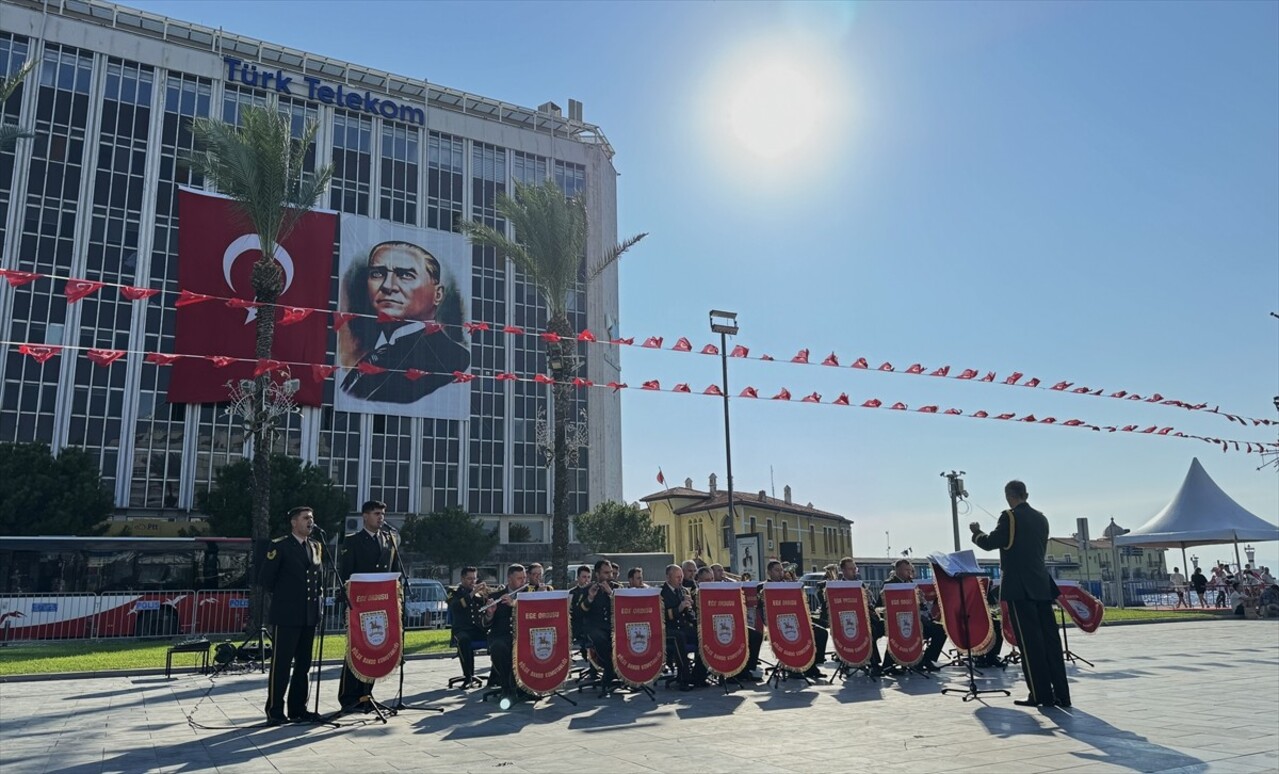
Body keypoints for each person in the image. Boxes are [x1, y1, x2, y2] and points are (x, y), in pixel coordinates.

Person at [970, 480, 1071, 708]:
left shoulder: (1010, 516)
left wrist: (976, 533)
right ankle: (1062, 695)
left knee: (1030, 643)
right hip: (1042, 585)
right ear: (1026, 494)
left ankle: (1040, 694)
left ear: (1009, 496)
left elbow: (990, 543)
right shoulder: (1041, 518)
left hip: (1020, 587)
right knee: (1050, 642)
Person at [340, 240, 470, 403]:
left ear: (437, 295)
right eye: (377, 274)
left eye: (405, 275)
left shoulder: (452, 357)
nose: (387, 286)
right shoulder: (374, 352)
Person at [258, 506, 323, 724]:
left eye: (312, 518)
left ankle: (298, 709)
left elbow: (318, 580)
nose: (310, 522)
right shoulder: (280, 546)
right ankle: (275, 710)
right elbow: (267, 579)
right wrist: (288, 596)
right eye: (306, 518)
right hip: (287, 615)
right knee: (282, 664)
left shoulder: (315, 547)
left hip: (308, 615)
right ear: (294, 522)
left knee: (303, 665)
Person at [337, 500, 399, 713]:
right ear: (364, 516)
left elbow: (395, 571)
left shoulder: (389, 539)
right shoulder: (353, 541)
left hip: (381, 603)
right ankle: (348, 696)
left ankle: (366, 694)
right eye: (376, 513)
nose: (380, 517)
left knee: (375, 645)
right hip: (360, 604)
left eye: (382, 513)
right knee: (357, 648)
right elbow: (346, 573)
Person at [879, 559, 946, 672]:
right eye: (906, 570)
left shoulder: (911, 584)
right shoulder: (889, 584)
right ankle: (888, 664)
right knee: (899, 633)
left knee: (941, 630)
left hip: (916, 619)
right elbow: (880, 605)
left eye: (910, 570)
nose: (909, 573)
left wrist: (920, 600)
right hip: (898, 621)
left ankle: (927, 659)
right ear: (898, 570)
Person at [763, 559, 826, 679]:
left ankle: (811, 664)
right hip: (778, 622)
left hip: (796, 619)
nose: (781, 573)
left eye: (781, 570)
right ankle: (793, 667)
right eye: (777, 570)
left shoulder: (789, 583)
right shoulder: (765, 586)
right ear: (769, 572)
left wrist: (795, 586)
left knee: (821, 632)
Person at [484, 564, 528, 698]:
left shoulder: (529, 596)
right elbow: (485, 624)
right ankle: (506, 686)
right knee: (498, 647)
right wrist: (490, 614)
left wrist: (514, 604)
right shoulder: (495, 596)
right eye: (519, 578)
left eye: (524, 578)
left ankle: (527, 686)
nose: (523, 581)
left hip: (523, 636)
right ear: (509, 579)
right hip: (501, 635)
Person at [660, 564, 705, 690]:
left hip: (683, 627)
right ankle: (684, 679)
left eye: (681, 577)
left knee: (704, 636)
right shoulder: (661, 593)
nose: (680, 580)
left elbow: (690, 616)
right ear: (668, 577)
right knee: (678, 637)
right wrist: (679, 608)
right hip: (668, 629)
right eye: (677, 577)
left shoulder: (683, 590)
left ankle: (698, 676)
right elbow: (661, 616)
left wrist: (690, 609)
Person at [578, 559, 621, 685]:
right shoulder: (588, 589)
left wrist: (610, 593)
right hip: (594, 627)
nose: (610, 576)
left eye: (611, 573)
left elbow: (624, 608)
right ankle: (609, 670)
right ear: (597, 574)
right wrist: (590, 598)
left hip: (612, 626)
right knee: (601, 640)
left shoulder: (617, 589)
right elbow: (580, 612)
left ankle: (620, 672)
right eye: (606, 573)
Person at [447, 566, 488, 687]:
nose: (472, 581)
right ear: (462, 578)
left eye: (474, 578)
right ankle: (468, 676)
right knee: (464, 640)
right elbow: (457, 606)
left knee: (498, 637)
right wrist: (473, 593)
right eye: (469, 578)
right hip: (461, 629)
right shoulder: (453, 592)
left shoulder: (477, 594)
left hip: (477, 628)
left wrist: (485, 594)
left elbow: (486, 605)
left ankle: (496, 677)